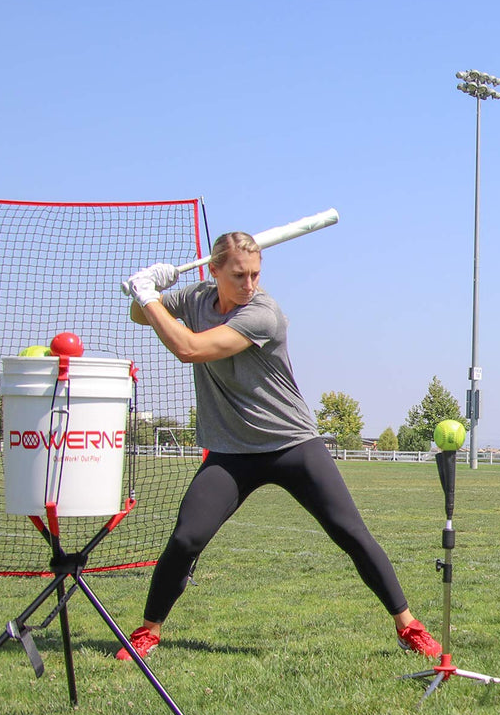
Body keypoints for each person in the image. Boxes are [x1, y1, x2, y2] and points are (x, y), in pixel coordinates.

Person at [119, 232, 441, 662]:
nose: (249, 284)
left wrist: (148, 296)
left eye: (255, 274)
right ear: (214, 272)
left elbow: (189, 349)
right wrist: (146, 294)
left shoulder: (263, 314)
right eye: (238, 275)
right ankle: (148, 631)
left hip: (291, 443)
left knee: (350, 533)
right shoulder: (195, 298)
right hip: (231, 452)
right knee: (186, 538)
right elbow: (144, 317)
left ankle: (409, 626)